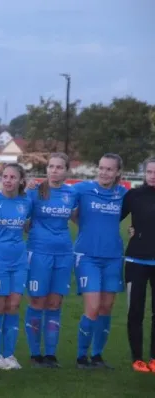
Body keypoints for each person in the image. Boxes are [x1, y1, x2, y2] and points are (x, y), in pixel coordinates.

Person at [72, 153, 127, 369]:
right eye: (101, 168)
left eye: (109, 169)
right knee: (92, 308)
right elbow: (61, 201)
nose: (104, 173)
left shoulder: (123, 194)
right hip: (87, 256)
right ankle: (80, 357)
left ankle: (97, 356)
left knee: (106, 308)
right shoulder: (82, 189)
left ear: (117, 173)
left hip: (113, 257)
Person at [24, 153, 78, 368]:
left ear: (66, 171)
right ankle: (35, 353)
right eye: (51, 166)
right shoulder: (35, 191)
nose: (54, 170)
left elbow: (80, 219)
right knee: (37, 301)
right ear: (46, 169)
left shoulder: (71, 193)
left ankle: (51, 354)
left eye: (59, 167)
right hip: (38, 253)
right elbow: (21, 218)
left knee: (55, 303)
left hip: (64, 253)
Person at [0, 163, 32, 370]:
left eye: (12, 177)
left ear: (20, 180)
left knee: (13, 305)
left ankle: (10, 354)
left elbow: (27, 226)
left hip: (19, 260)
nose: (8, 180)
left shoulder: (27, 202)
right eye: (5, 176)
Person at [121, 156, 155, 373]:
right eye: (150, 172)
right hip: (135, 262)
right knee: (136, 311)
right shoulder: (133, 195)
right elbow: (111, 217)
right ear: (145, 173)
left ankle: (154, 358)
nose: (153, 176)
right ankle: (137, 358)